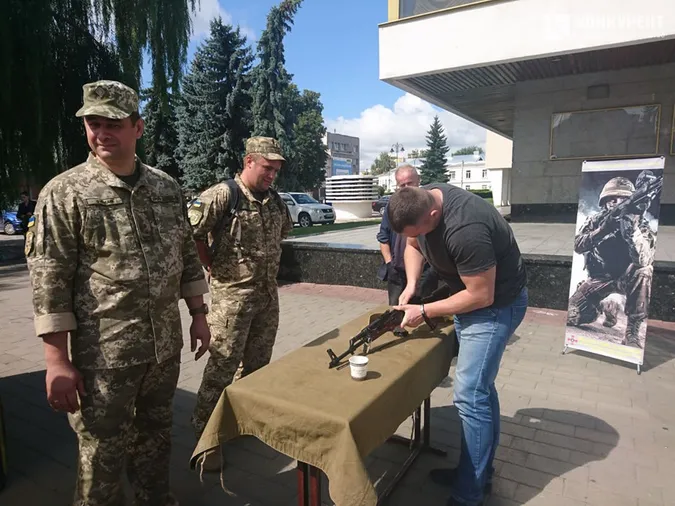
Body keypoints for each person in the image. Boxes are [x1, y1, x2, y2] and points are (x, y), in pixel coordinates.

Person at [25, 80, 210, 506]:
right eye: (93, 122)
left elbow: (185, 252)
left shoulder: (166, 188)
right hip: (103, 357)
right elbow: (50, 280)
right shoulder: (65, 192)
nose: (102, 132)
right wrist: (56, 361)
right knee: (101, 457)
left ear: (137, 128)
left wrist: (199, 313)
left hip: (163, 348)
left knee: (156, 439)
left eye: (113, 123)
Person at [387, 184, 528, 506]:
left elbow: (482, 295)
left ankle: (469, 495)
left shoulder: (467, 229)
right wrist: (411, 286)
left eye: (422, 228)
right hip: (467, 300)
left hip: (494, 307)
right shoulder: (418, 204)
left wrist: (424, 311)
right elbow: (412, 244)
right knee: (480, 389)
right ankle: (476, 472)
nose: (416, 236)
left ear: (433, 214)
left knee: (469, 394)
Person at [189, 136, 293, 463]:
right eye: (266, 168)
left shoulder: (275, 201)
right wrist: (208, 264)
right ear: (249, 161)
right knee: (222, 366)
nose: (271, 175)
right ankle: (207, 439)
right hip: (231, 300)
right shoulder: (224, 195)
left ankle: (242, 422)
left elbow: (283, 234)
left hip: (266, 297)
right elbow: (189, 234)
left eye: (276, 170)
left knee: (257, 365)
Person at [567, 172, 660, 348]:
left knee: (644, 271)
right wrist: (603, 229)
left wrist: (632, 230)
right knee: (572, 316)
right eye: (612, 198)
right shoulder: (595, 220)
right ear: (605, 202)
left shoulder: (641, 225)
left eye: (622, 199)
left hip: (626, 278)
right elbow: (578, 245)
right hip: (599, 279)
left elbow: (644, 259)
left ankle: (632, 331)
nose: (616, 202)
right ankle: (606, 306)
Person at [376, 165, 437, 306]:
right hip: (397, 270)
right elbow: (383, 238)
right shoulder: (392, 206)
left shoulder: (429, 203)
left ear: (418, 180)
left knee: (424, 312)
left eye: (410, 183)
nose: (407, 188)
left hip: (424, 270)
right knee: (395, 312)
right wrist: (389, 263)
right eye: (402, 185)